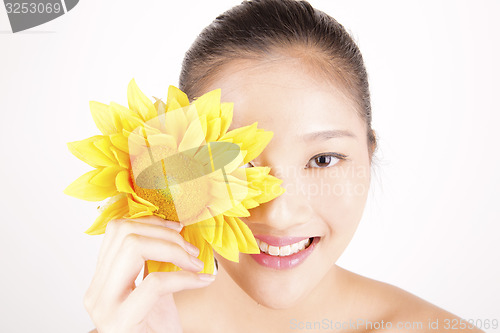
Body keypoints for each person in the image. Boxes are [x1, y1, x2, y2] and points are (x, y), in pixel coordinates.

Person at [84, 0, 484, 332]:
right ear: (177, 168)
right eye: (237, 161)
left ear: (368, 153)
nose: (279, 213)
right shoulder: (134, 323)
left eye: (322, 160)